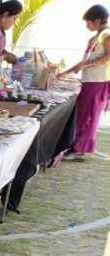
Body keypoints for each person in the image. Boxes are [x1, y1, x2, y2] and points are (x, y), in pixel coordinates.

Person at [61, 5, 110, 160]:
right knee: (82, 114)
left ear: (97, 21)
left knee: (89, 115)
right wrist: (63, 73)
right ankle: (75, 146)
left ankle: (79, 150)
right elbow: (84, 62)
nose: (87, 26)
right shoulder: (96, 37)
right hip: (89, 81)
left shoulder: (106, 34)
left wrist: (87, 64)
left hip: (98, 82)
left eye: (88, 23)